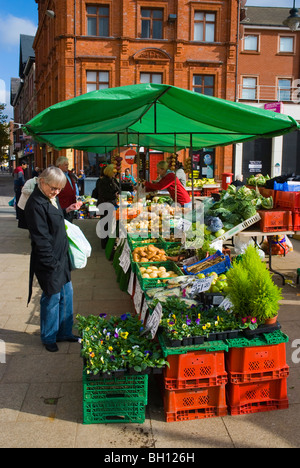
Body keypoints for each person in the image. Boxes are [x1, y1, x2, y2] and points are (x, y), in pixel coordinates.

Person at [24, 166, 82, 352]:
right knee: (52, 298)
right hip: (49, 261)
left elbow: (55, 220)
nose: (56, 192)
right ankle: (48, 336)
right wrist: (52, 264)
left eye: (59, 189)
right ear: (42, 182)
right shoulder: (35, 204)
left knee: (67, 295)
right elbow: (41, 238)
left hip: (61, 257)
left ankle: (64, 331)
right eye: (53, 188)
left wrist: (67, 210)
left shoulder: (50, 198)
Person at [94, 164, 121, 248]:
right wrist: (114, 195)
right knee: (105, 224)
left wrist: (117, 193)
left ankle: (109, 243)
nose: (115, 174)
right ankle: (104, 244)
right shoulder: (102, 181)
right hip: (105, 204)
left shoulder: (113, 179)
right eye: (113, 172)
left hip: (112, 204)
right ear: (109, 172)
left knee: (110, 224)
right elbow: (103, 194)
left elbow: (118, 189)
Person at [55, 156, 78, 221]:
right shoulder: (56, 176)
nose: (67, 166)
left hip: (71, 204)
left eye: (67, 164)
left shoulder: (69, 174)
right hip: (63, 205)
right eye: (65, 165)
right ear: (59, 166)